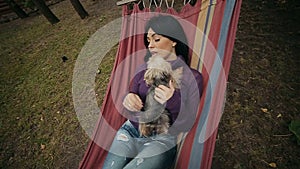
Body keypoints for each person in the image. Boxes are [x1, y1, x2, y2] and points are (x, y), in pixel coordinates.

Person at [103, 14, 203, 169]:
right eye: (148, 40)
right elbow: (130, 99)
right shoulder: (143, 68)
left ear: (174, 40)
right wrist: (128, 98)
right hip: (131, 130)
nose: (150, 45)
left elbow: (187, 122)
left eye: (156, 39)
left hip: (162, 139)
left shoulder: (192, 77)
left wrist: (172, 99)